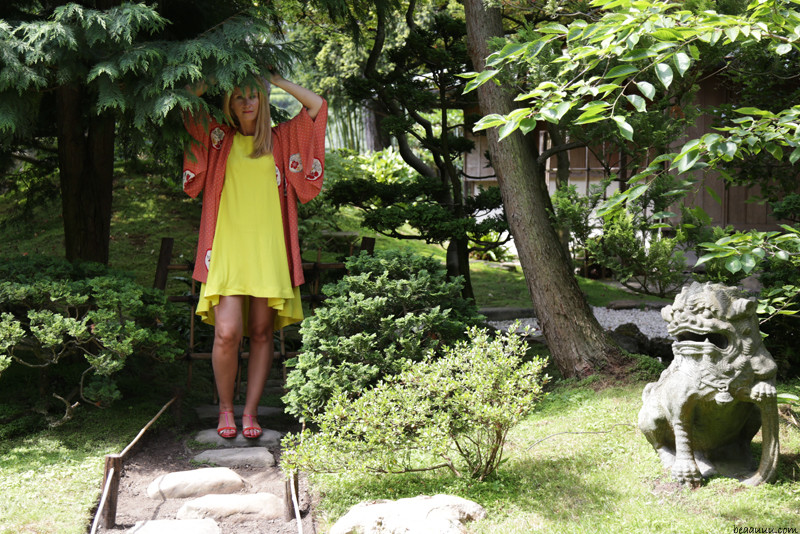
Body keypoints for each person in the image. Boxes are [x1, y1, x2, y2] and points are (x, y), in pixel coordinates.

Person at [182, 72, 327, 439]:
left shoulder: (280, 139)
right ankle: (225, 409)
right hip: (228, 248)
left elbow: (317, 105)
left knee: (262, 332)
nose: (247, 103)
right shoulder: (219, 138)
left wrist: (275, 79)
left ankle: (250, 413)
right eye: (238, 97)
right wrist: (222, 73)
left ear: (262, 101)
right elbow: (185, 103)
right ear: (229, 104)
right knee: (227, 333)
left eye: (253, 96)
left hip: (269, 247)